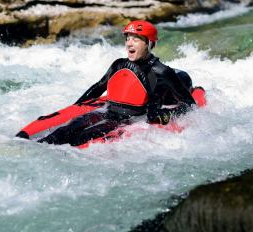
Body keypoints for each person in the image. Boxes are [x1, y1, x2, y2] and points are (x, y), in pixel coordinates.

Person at [19, 20, 196, 146]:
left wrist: (167, 115)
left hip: (127, 120)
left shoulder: (162, 72)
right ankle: (21, 147)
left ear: (150, 44)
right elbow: (98, 87)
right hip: (105, 112)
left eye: (136, 39)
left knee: (82, 138)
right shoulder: (119, 64)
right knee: (63, 131)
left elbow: (189, 104)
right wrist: (75, 108)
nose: (129, 43)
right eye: (127, 38)